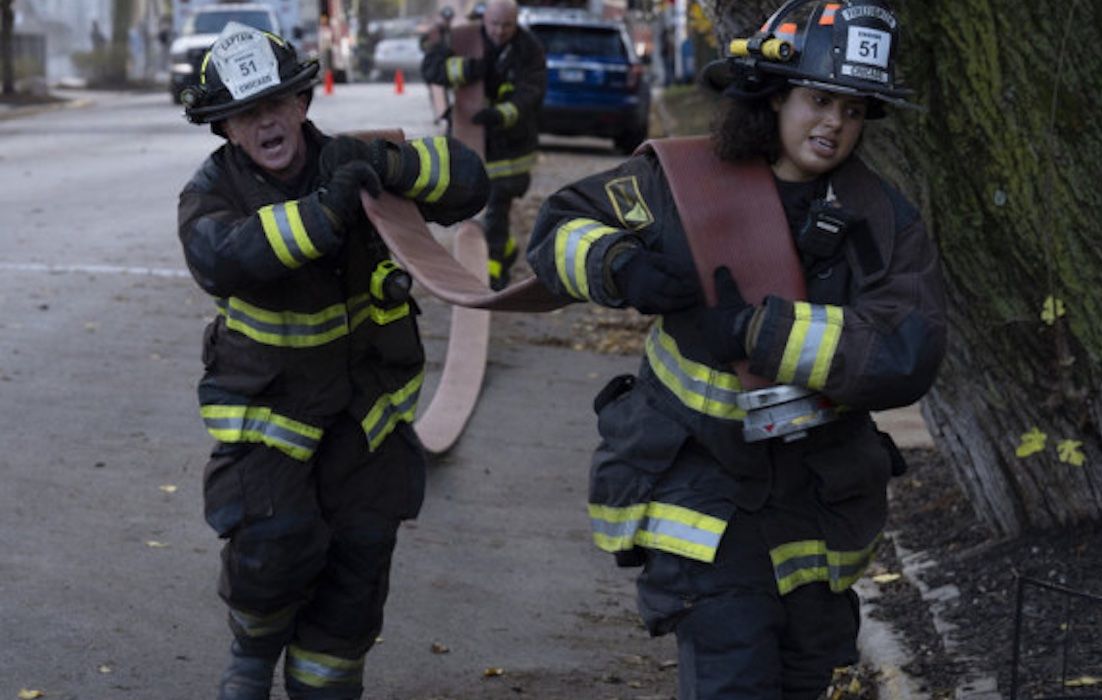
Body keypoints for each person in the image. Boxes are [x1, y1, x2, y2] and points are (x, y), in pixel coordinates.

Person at [524, 1, 947, 697]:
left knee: (807, 676)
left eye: (853, 109)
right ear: (775, 94)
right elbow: (562, 228)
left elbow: (909, 348)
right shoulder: (684, 185)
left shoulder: (881, 219)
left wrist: (758, 333)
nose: (835, 124)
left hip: (817, 501)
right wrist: (619, 266)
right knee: (733, 675)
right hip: (702, 493)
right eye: (819, 100)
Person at [175, 23, 489, 699]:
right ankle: (253, 655)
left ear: (302, 104)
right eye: (246, 112)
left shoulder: (353, 157)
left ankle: (327, 685)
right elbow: (222, 257)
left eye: (275, 104)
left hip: (366, 416)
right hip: (271, 418)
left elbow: (469, 181)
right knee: (276, 544)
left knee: (361, 560)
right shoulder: (210, 193)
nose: (265, 122)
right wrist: (323, 214)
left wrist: (395, 169)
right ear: (225, 128)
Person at [420, 0, 547, 291]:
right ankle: (503, 249)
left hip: (510, 148)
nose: (500, 32)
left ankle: (495, 271)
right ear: (483, 19)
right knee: (469, 203)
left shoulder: (529, 49)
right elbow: (431, 67)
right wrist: (466, 69)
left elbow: (532, 92)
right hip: (469, 138)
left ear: (516, 23)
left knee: (497, 206)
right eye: (494, 24)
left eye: (507, 26)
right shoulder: (464, 37)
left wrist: (501, 115)